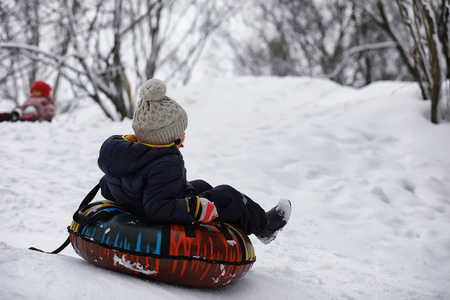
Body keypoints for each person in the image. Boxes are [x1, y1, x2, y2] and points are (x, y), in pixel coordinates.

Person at [97, 79, 291, 244]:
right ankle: (263, 226)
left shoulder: (124, 154)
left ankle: (227, 224)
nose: (184, 135)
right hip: (152, 213)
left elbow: (106, 186)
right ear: (167, 138)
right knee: (227, 195)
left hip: (138, 200)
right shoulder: (166, 163)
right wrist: (194, 208)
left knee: (200, 186)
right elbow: (157, 208)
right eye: (181, 132)